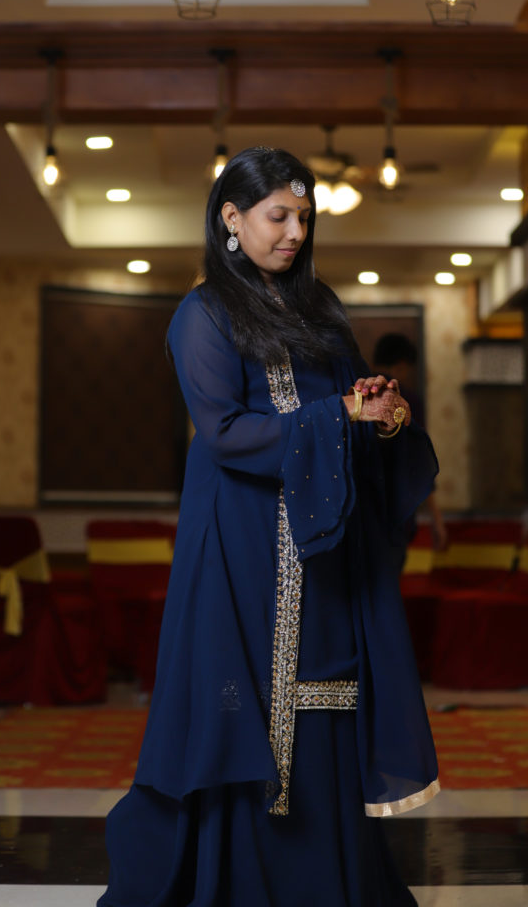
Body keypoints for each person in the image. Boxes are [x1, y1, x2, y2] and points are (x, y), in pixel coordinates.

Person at [98, 147, 440, 907]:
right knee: (245, 704)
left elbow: (351, 407)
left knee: (327, 696)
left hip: (326, 546)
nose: (295, 233)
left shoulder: (320, 310)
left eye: (304, 218)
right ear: (232, 217)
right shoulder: (204, 314)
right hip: (242, 549)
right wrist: (338, 414)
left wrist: (382, 416)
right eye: (278, 216)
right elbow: (224, 432)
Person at [373, 333, 448, 569]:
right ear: (402, 365)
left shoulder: (355, 395)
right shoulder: (407, 400)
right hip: (397, 512)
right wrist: (436, 520)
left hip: (361, 511)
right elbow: (420, 461)